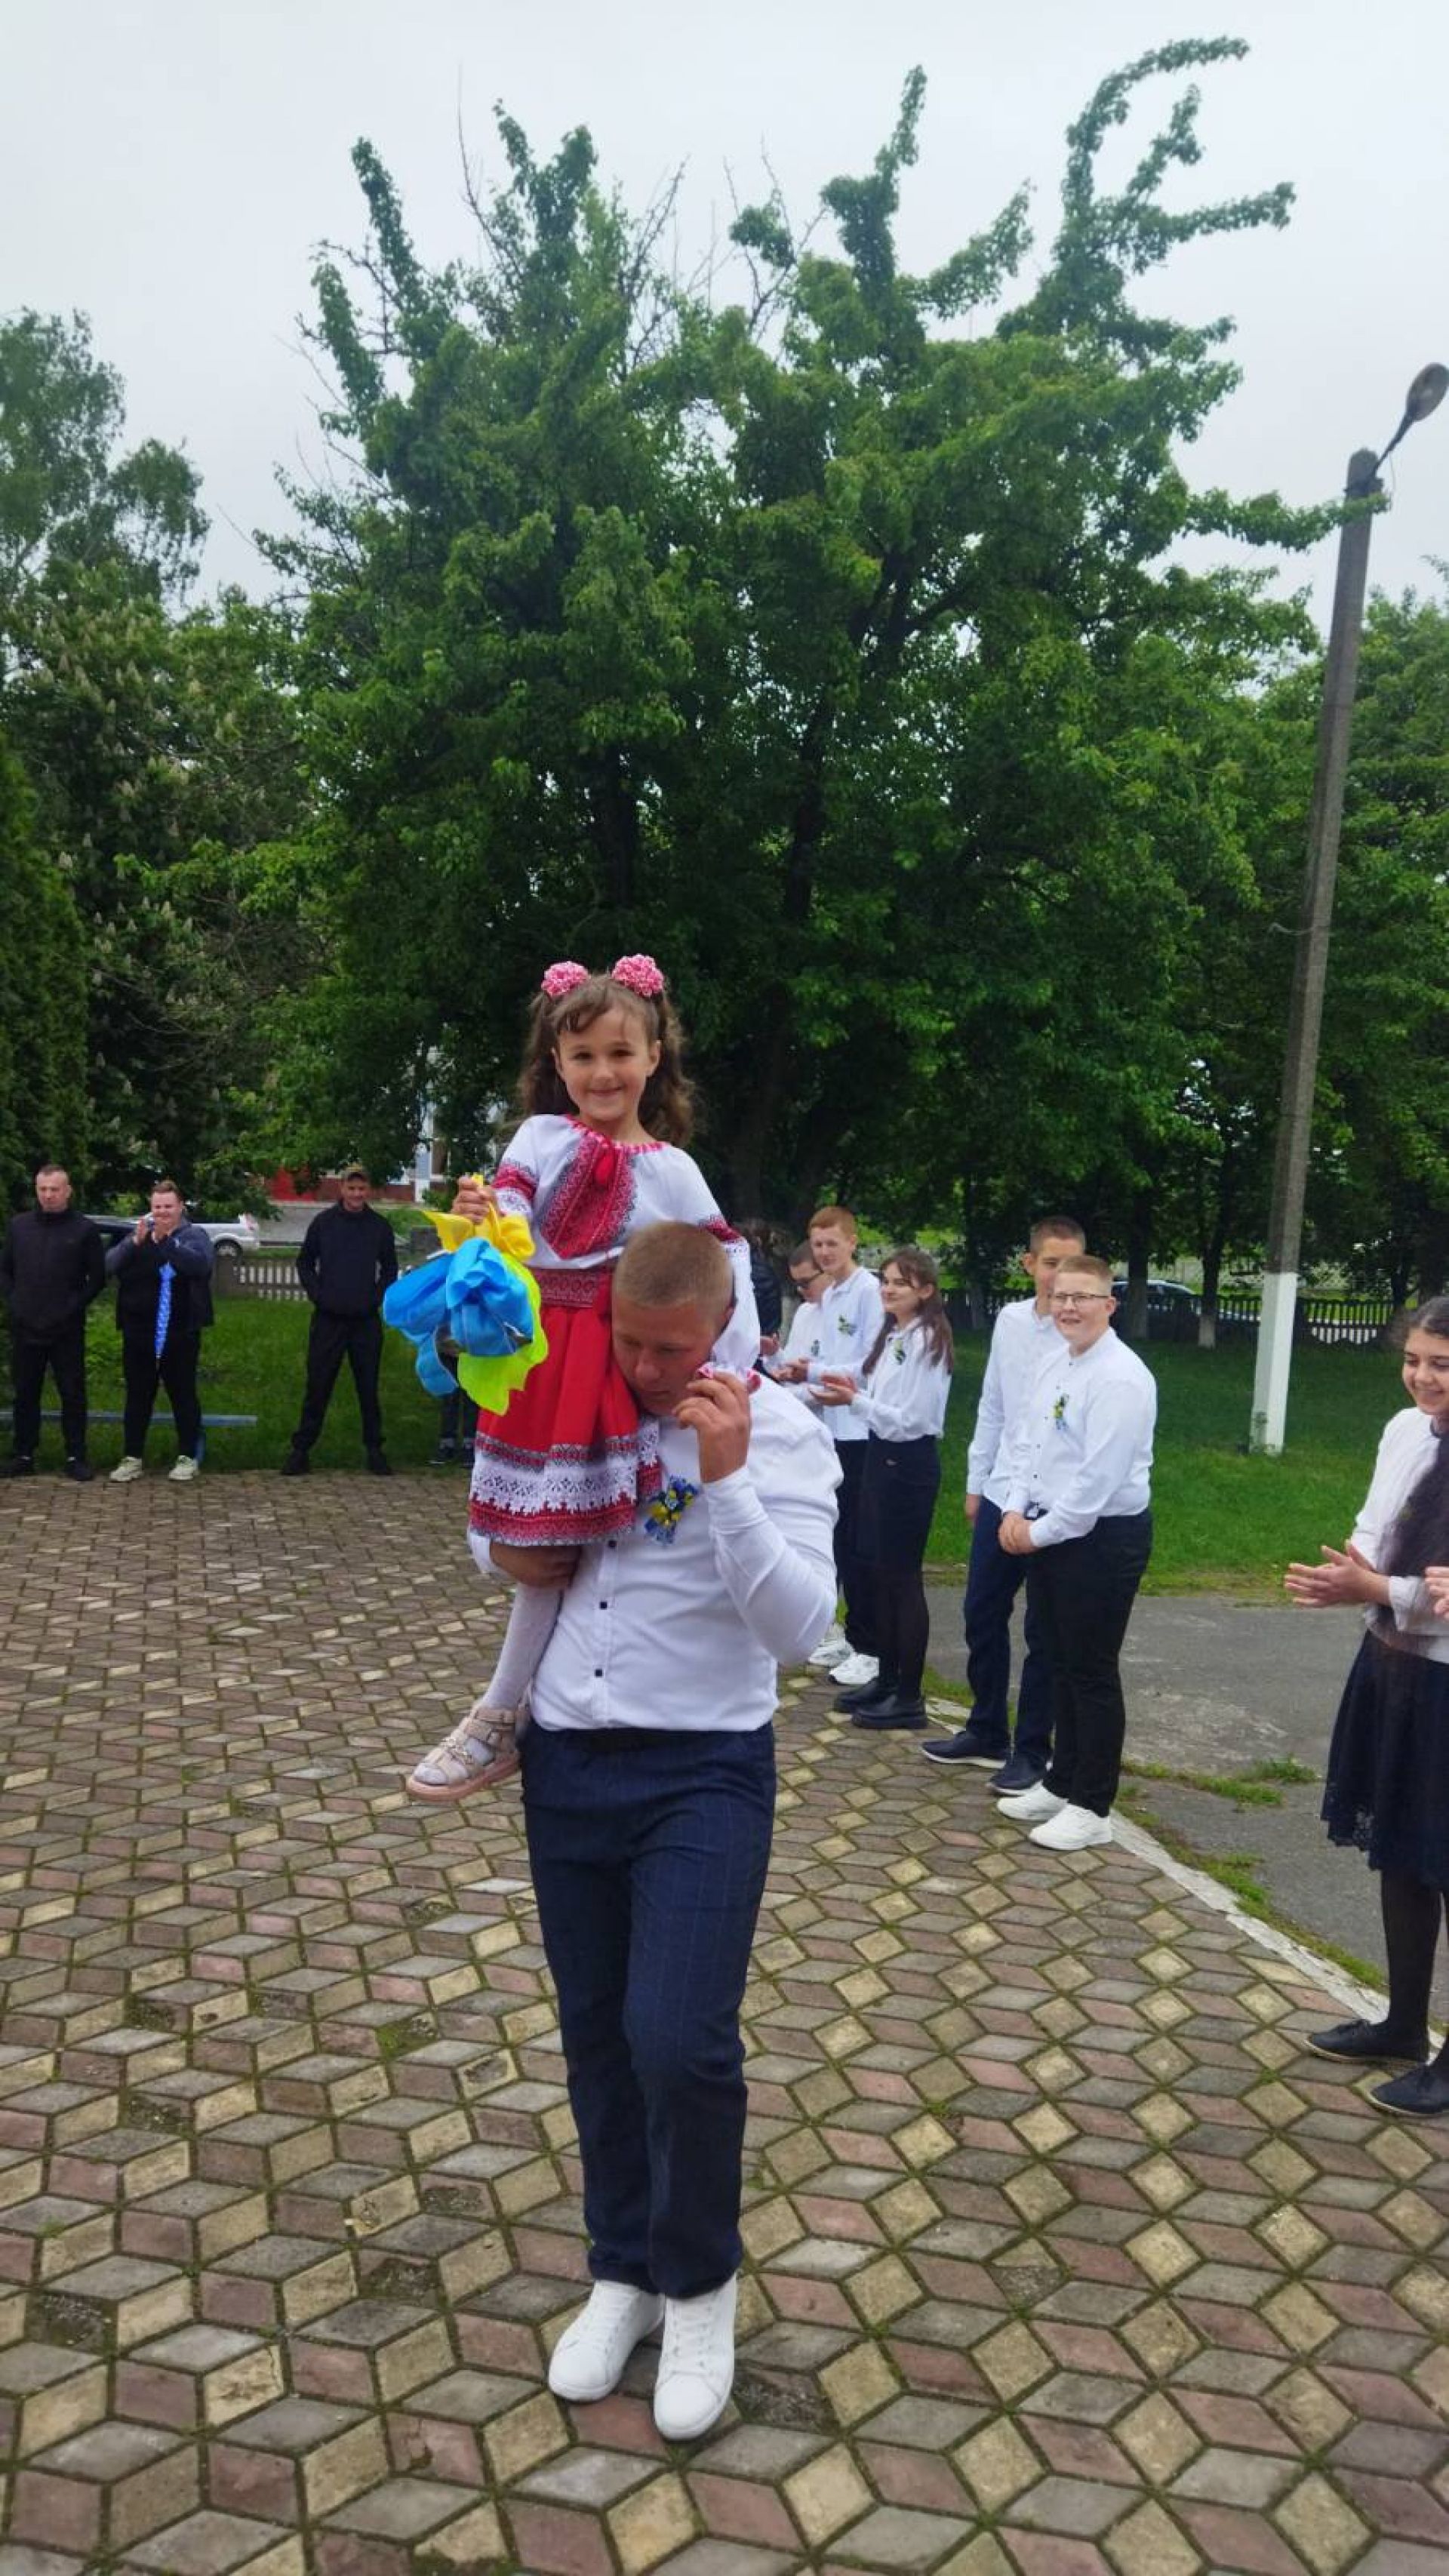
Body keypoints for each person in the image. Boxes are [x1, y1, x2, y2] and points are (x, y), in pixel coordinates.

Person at [515, 1222, 838, 2436]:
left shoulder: (781, 1430)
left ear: (723, 1330)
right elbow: (506, 1551)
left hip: (702, 1767)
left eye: (674, 1348)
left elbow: (801, 1631)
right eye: (631, 1343)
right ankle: (625, 2269)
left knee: (679, 2039)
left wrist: (728, 1477)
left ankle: (700, 2286)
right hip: (568, 1758)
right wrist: (509, 1526)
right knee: (597, 2030)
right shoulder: (580, 1404)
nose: (650, 1369)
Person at [405, 956, 761, 1805]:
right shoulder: (538, 1137)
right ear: (556, 1063)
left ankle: (515, 1710)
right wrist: (486, 1221)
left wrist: (733, 1362)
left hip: (612, 1361)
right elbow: (514, 1214)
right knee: (536, 1545)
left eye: (620, 1052)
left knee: (597, 1540)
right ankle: (516, 1708)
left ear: (654, 1056)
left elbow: (727, 1262)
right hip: (540, 1361)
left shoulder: (673, 1168)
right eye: (583, 1056)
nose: (603, 1072)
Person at [1287, 1297, 1449, 2117]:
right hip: (1394, 1664)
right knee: (1401, 1851)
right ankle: (1403, 2024)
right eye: (1414, 1359)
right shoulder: (1404, 1430)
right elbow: (1374, 1529)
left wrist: (1378, 1586)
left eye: (1442, 1364)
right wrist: (1349, 1572)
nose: (1422, 1377)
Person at [994, 1254, 1155, 1850]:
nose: (1068, 1307)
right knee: (1057, 1658)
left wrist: (1036, 1533)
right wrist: (1015, 1508)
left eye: (1082, 1297)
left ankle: (1092, 1804)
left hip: (1101, 1539)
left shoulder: (1121, 1378)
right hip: (1050, 1529)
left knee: (1091, 1670)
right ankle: (1060, 1781)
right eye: (1060, 1296)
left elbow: (1096, 1481)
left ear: (1108, 1304)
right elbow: (1028, 1444)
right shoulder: (1055, 1362)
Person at [923, 1217, 1086, 1785]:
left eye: (1071, 1265)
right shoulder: (1012, 1322)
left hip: (1051, 1500)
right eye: (1051, 1263)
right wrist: (977, 1482)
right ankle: (986, 1727)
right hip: (1002, 1489)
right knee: (982, 1611)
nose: (1060, 1277)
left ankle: (1033, 1748)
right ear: (1029, 1263)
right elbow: (993, 1404)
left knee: (1044, 1629)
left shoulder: (1082, 1336)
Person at [816, 1246, 953, 1729]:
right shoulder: (895, 1333)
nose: (889, 1289)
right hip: (882, 1455)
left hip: (907, 1463)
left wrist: (855, 1404)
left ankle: (909, 1695)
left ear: (926, 1291)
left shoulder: (928, 1341)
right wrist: (821, 1378)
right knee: (877, 1571)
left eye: (901, 1282)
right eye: (886, 1281)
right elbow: (865, 1378)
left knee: (902, 1579)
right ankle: (887, 1677)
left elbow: (913, 1420)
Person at [776, 1205, 883, 1689]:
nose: (824, 1253)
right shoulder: (832, 1295)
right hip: (831, 1429)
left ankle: (871, 1645)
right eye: (818, 1244)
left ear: (852, 1242)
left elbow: (869, 1363)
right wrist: (798, 1370)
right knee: (838, 1536)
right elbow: (826, 1359)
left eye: (832, 1244)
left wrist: (814, 1374)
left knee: (861, 1541)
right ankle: (846, 1633)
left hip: (861, 1428)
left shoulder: (867, 1291)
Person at [283, 1164, 398, 1477]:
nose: (357, 1194)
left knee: (368, 1388)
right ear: (342, 1189)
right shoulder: (323, 1224)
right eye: (351, 1188)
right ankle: (301, 1450)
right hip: (328, 1319)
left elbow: (390, 1269)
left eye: (362, 1189)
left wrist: (375, 1298)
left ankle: (375, 1450)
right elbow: (305, 1263)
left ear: (368, 1190)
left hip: (365, 1320)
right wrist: (319, 1295)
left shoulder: (379, 1227)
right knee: (318, 1385)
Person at [0, 1165, 106, 1483]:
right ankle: (23, 1454)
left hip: (66, 1328)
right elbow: (4, 1270)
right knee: (25, 1393)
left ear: (67, 1191)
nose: (48, 1195)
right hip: (26, 1325)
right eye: (43, 1189)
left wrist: (72, 1307)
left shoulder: (84, 1229)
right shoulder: (19, 1227)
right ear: (36, 1190)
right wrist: (15, 1302)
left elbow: (97, 1278)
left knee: (72, 1393)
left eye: (55, 1189)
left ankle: (76, 1456)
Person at [106, 1181, 215, 1484]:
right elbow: (109, 1265)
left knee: (183, 1394)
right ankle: (132, 1457)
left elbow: (200, 1266)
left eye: (168, 1207)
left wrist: (168, 1243)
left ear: (180, 1207)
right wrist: (133, 1243)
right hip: (139, 1330)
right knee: (138, 1395)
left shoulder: (194, 1236)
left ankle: (188, 1456)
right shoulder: (140, 1235)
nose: (162, 1213)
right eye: (157, 1207)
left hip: (180, 1331)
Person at [761, 1245, 826, 1396]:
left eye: (805, 1282)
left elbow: (839, 1382)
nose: (799, 1289)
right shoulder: (804, 1311)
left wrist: (786, 1395)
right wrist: (773, 1353)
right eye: (796, 1283)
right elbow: (789, 1366)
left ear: (828, 1272)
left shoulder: (845, 1315)